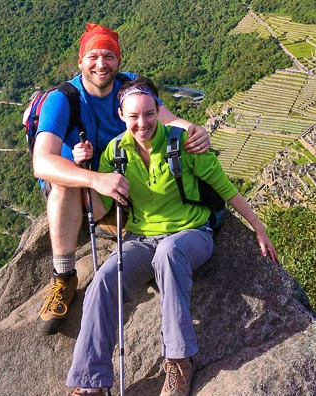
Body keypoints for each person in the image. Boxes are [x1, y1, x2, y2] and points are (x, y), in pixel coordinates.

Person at [66, 77, 278, 396]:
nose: (142, 123)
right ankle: (90, 383)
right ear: (121, 115)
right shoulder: (115, 152)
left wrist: (258, 227)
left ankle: (178, 360)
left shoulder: (183, 143)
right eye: (133, 116)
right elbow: (99, 209)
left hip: (191, 234)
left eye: (149, 114)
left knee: (169, 251)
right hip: (141, 238)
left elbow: (224, 187)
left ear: (158, 111)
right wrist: (87, 174)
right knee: (103, 280)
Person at [33, 23, 211, 334]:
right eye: (93, 57)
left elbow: (169, 122)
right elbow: (42, 162)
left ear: (119, 61)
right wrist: (94, 179)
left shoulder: (129, 88)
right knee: (64, 181)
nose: (101, 64)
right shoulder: (63, 100)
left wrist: (196, 132)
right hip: (87, 187)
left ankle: (129, 225)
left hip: (125, 183)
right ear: (80, 61)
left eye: (109, 57)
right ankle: (63, 278)